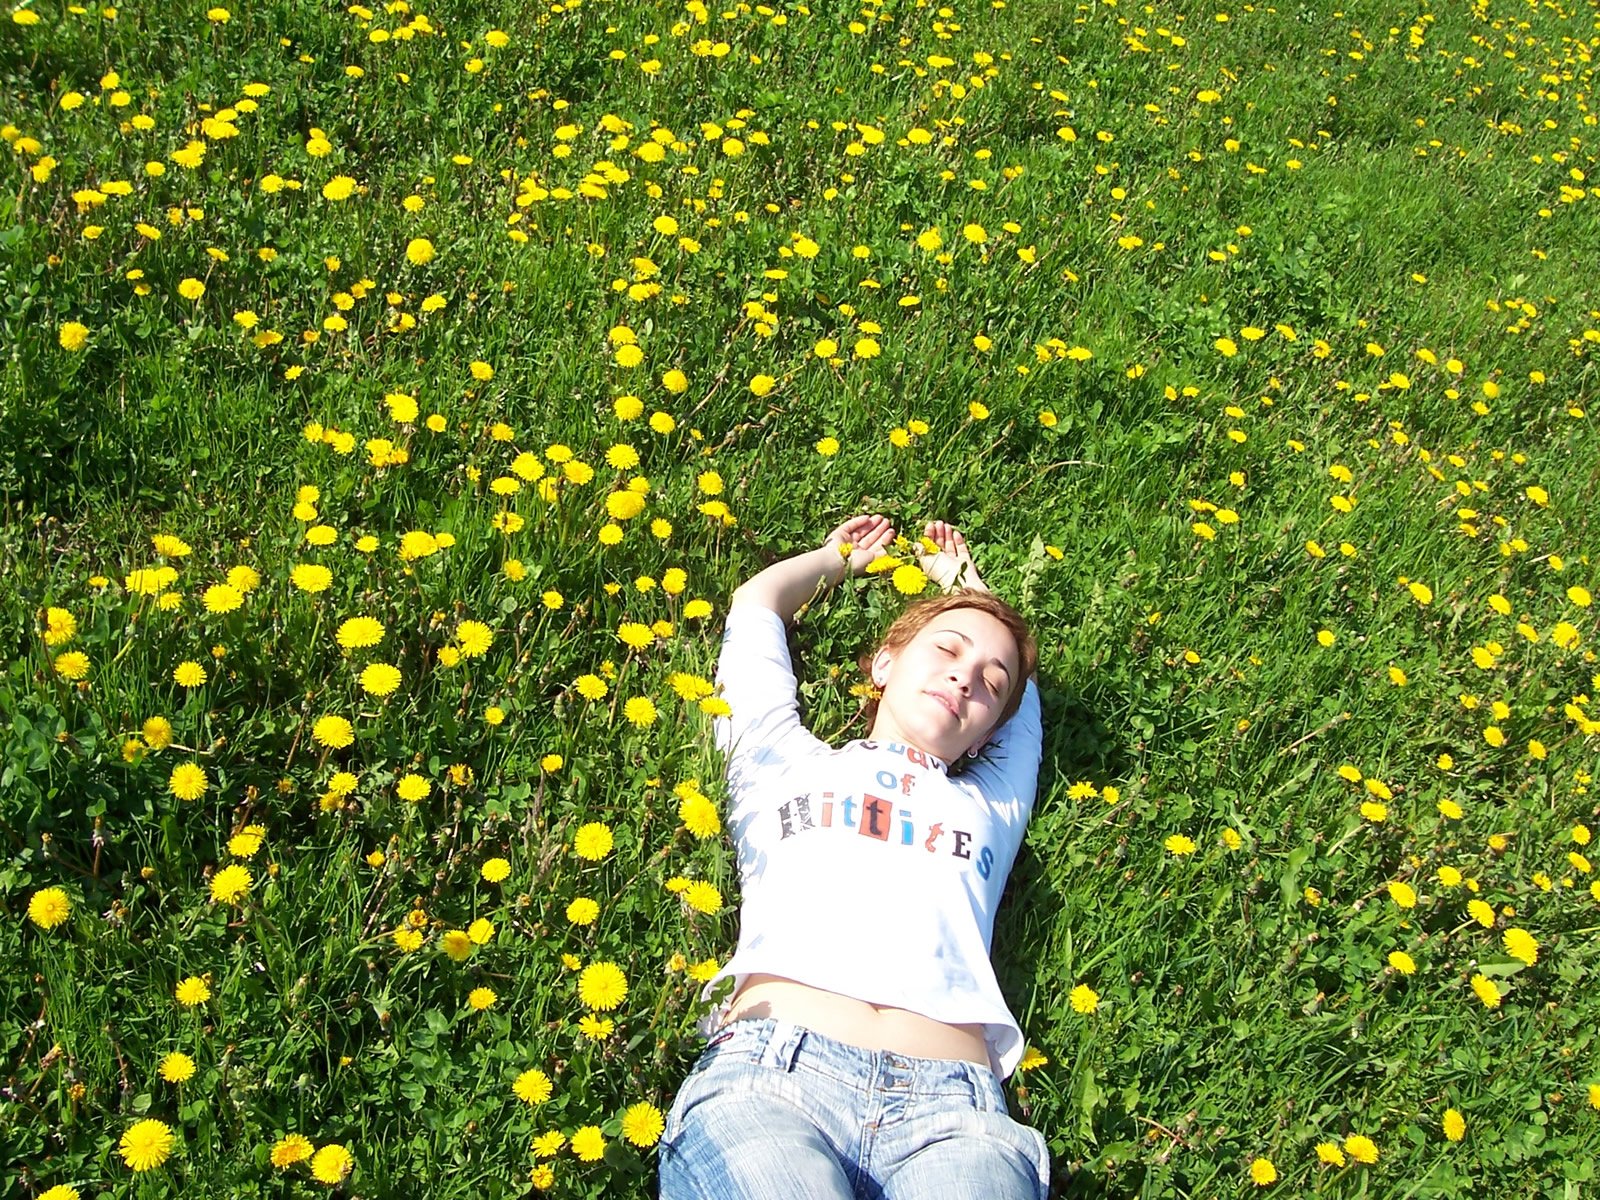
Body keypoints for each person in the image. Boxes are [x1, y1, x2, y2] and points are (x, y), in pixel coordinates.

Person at [658, 515, 1050, 1200]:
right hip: (773, 1077)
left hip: (956, 1119)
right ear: (885, 662)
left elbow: (1027, 714)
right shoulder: (777, 759)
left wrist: (967, 587)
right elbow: (756, 606)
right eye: (948, 650)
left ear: (993, 728)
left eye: (991, 681)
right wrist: (834, 558)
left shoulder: (992, 803)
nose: (966, 679)